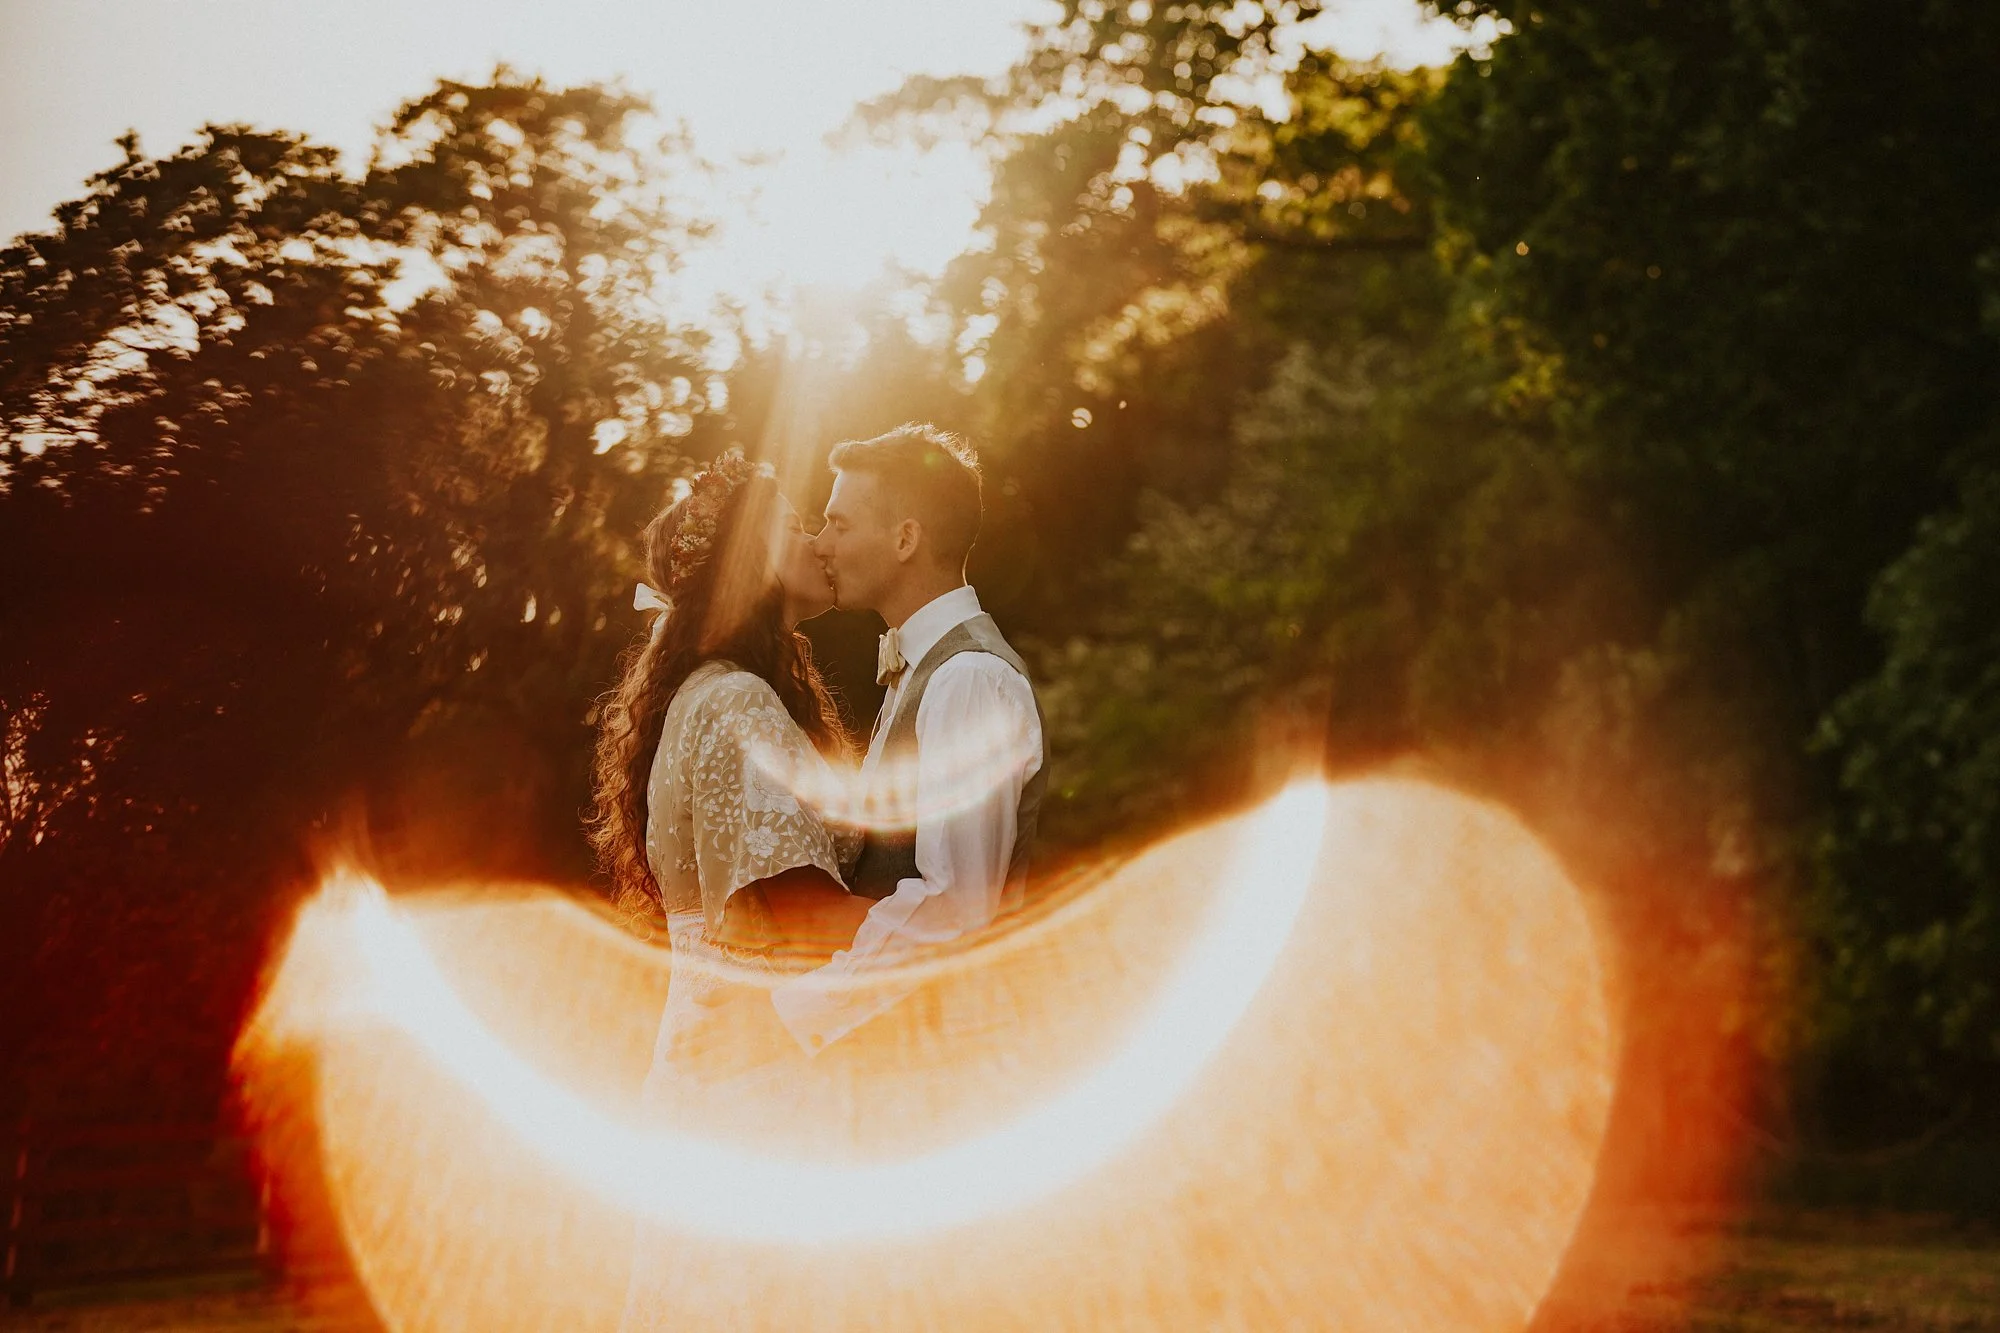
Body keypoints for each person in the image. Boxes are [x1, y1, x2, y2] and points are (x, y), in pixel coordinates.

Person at [587, 448, 872, 1091]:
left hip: (719, 1058)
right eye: (797, 528)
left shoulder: (705, 692)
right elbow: (811, 920)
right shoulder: (734, 703)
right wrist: (956, 919)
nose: (819, 543)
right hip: (751, 1073)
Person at [771, 422, 1046, 1052]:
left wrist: (789, 1016)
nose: (821, 544)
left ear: (904, 538)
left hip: (944, 1057)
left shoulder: (968, 679)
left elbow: (952, 908)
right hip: (898, 1052)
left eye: (840, 524)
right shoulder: (923, 672)